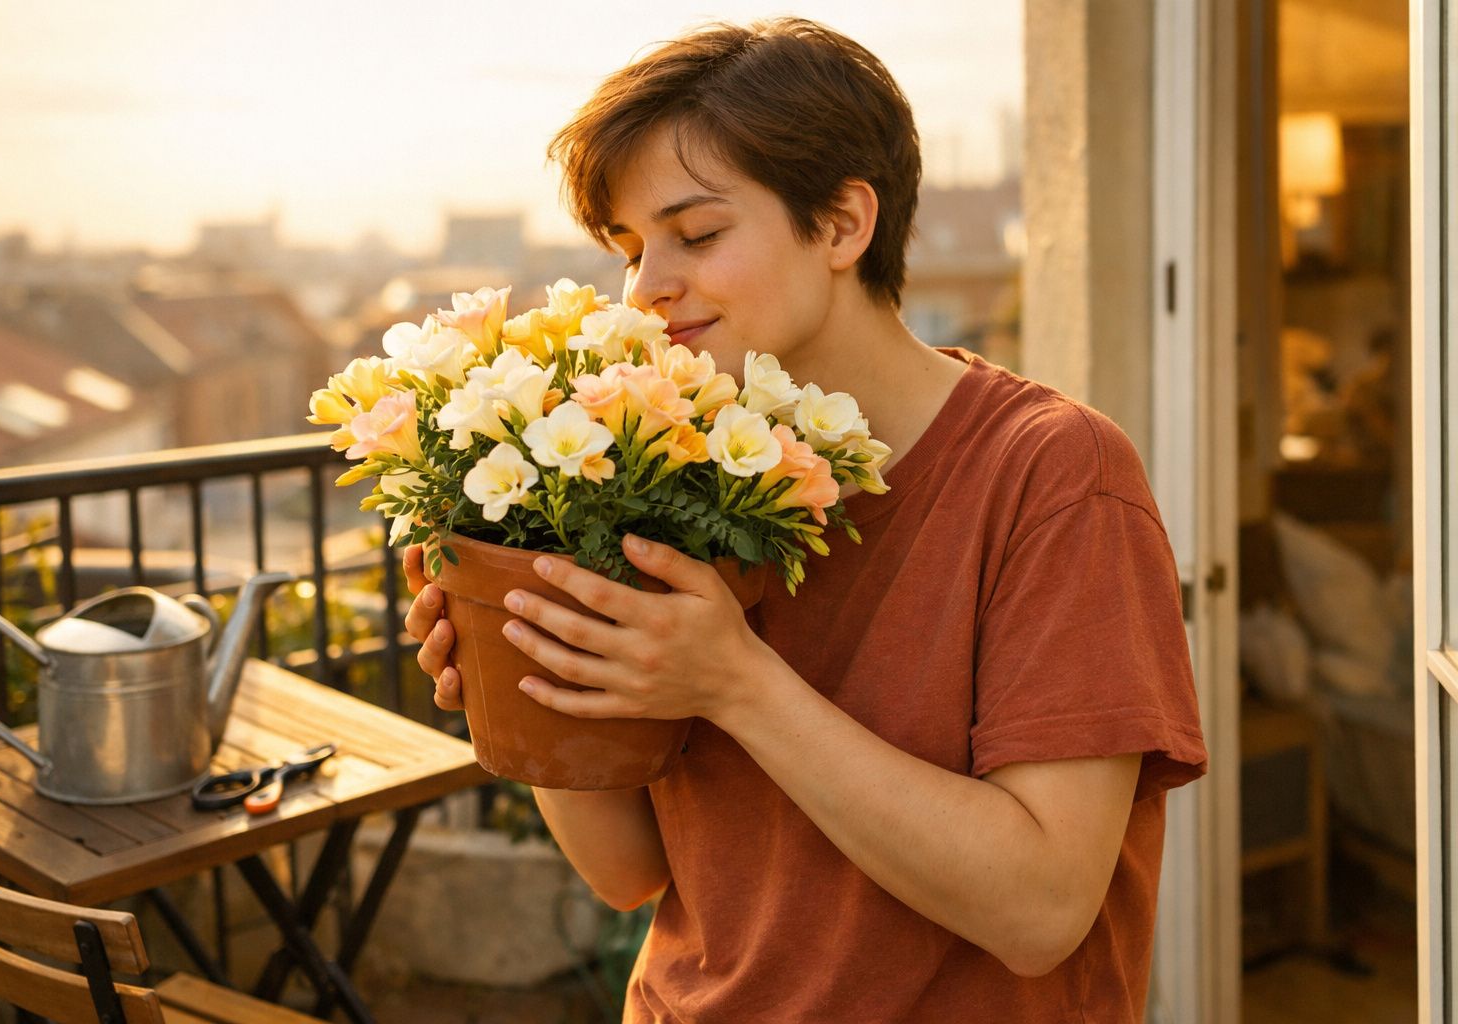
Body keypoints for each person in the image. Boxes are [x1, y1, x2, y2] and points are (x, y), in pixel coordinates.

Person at [402, 18, 1207, 1022]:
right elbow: (630, 871)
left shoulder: (1054, 474)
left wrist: (734, 681)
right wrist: (521, 679)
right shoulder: (659, 464)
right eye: (630, 248)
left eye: (695, 236)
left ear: (841, 225)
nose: (647, 288)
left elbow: (1040, 908)